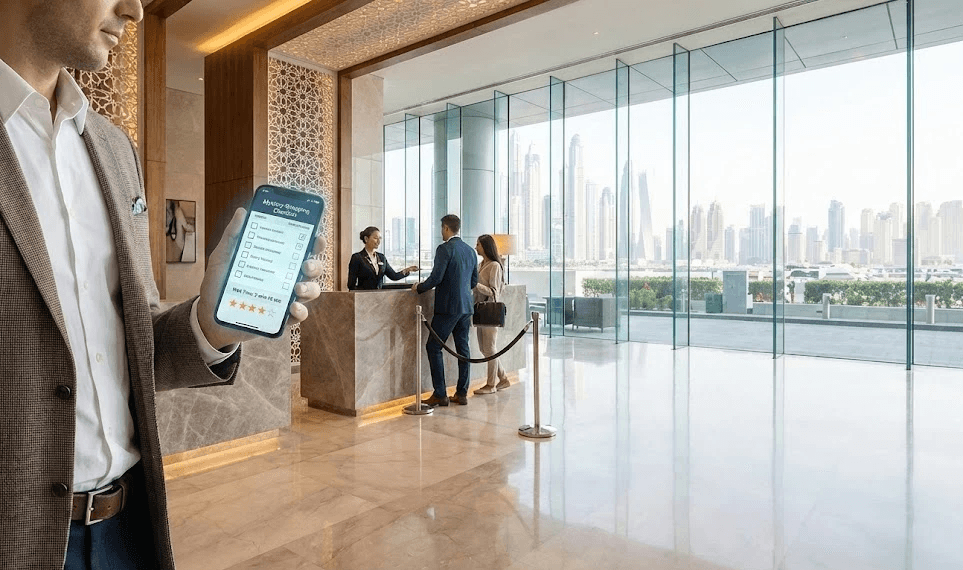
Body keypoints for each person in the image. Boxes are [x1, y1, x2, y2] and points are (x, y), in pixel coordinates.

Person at [0, 2, 326, 568]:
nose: (134, 8)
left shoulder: (112, 146)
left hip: (129, 529)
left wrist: (209, 321)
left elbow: (131, 339)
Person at [412, 215, 478, 407]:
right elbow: (473, 282)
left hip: (448, 307)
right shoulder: (470, 251)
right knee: (463, 350)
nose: (441, 232)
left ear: (446, 228)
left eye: (442, 228)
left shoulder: (444, 249)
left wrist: (419, 288)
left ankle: (440, 393)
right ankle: (462, 393)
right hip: (466, 307)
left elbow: (436, 278)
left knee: (433, 347)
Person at [472, 234, 511, 395]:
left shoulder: (495, 265)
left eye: (478, 245)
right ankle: (503, 379)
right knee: (485, 349)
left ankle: (491, 385)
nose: (476, 247)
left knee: (490, 348)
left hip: (489, 311)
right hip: (480, 310)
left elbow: (494, 293)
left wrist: (476, 285)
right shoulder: (482, 264)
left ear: (485, 247)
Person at [347, 226, 418, 290]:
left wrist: (408, 270)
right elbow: (351, 285)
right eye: (375, 238)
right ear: (366, 239)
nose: (378, 241)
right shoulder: (357, 257)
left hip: (379, 298)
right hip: (364, 298)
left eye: (380, 238)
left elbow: (394, 276)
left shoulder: (381, 257)